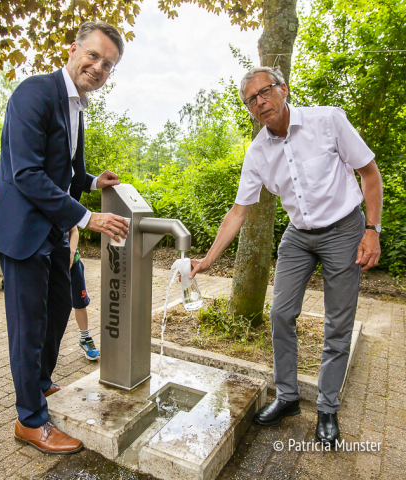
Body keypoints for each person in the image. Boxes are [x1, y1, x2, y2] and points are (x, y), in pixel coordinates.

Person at [190, 66, 383, 445]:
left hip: (344, 229)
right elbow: (238, 211)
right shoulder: (258, 151)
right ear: (248, 109)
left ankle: (327, 408)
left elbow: (370, 174)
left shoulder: (327, 120)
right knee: (280, 313)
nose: (260, 102)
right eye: (251, 99)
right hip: (298, 235)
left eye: (265, 92)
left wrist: (372, 231)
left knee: (338, 322)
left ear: (284, 89)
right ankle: (288, 397)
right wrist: (209, 260)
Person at [0, 21, 129, 455]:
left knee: (59, 308)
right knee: (28, 327)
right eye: (94, 56)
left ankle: (42, 384)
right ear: (73, 50)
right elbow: (26, 172)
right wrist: (88, 218)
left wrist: (89, 179)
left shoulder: (77, 105)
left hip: (50, 230)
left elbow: (61, 169)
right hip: (22, 230)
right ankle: (29, 420)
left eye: (108, 64)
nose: (99, 68)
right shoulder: (34, 92)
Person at [69, 226, 100, 360]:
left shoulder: (64, 205)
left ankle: (85, 338)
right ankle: (46, 343)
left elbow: (74, 230)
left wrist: (71, 252)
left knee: (80, 303)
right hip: (49, 265)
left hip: (73, 265)